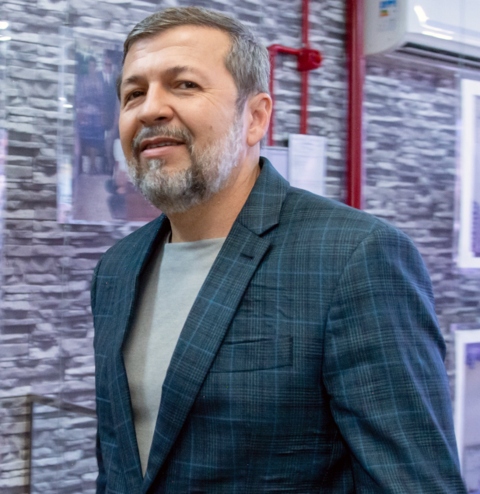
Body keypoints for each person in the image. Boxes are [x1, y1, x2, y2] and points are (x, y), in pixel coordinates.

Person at [91, 7, 466, 493]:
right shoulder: (117, 269)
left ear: (255, 117)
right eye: (133, 93)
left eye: (184, 85)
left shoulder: (355, 257)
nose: (150, 109)